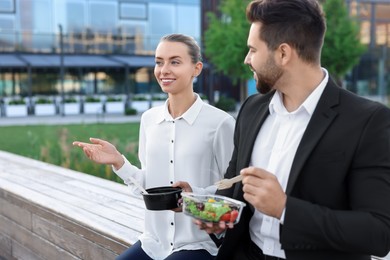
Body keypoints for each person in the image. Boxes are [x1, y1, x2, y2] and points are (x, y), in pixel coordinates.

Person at [196, 0, 390, 260]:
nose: (246, 59)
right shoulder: (252, 109)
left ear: (283, 53)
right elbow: (234, 179)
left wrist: (285, 208)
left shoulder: (368, 121)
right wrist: (218, 215)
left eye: (253, 49)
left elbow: (378, 234)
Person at [73, 33, 235, 260]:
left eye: (175, 62)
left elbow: (233, 195)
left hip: (201, 244)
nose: (164, 70)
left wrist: (193, 199)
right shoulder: (149, 120)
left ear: (196, 69)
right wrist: (119, 162)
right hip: (154, 242)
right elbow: (152, 188)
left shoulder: (220, 123)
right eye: (159, 62)